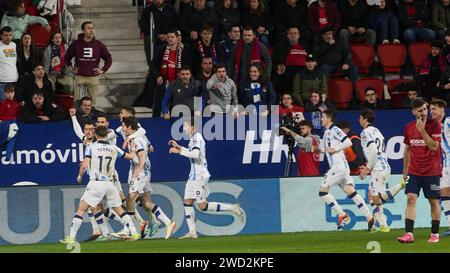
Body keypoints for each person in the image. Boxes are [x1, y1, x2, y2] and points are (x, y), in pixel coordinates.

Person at [60, 126, 140, 244]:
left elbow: (84, 165)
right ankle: (134, 233)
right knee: (119, 210)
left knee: (82, 208)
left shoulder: (92, 147)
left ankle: (71, 238)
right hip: (110, 184)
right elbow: (131, 157)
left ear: (96, 135)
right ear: (107, 135)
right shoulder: (114, 148)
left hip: (96, 183)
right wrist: (132, 148)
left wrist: (80, 176)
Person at [168, 117, 245, 239]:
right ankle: (192, 232)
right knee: (187, 202)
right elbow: (193, 152)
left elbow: (195, 154)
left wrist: (179, 152)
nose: (184, 128)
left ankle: (233, 208)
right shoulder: (194, 139)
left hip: (199, 176)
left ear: (192, 127)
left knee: (202, 206)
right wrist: (180, 147)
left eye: (185, 126)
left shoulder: (196, 138)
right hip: (193, 176)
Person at [121, 116, 176, 240]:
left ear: (129, 127)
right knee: (146, 203)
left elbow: (142, 156)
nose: (122, 128)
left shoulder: (136, 139)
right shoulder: (141, 138)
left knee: (130, 199)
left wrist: (138, 169)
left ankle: (128, 230)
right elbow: (151, 148)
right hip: (146, 171)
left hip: (140, 172)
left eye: (124, 126)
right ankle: (169, 223)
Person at [319, 109, 375, 231]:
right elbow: (330, 149)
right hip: (342, 167)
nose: (321, 119)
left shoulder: (335, 130)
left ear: (329, 119)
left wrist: (335, 149)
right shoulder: (327, 132)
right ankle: (369, 216)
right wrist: (321, 150)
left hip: (338, 167)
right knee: (351, 191)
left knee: (323, 191)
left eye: (323, 117)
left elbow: (348, 142)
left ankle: (342, 215)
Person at [398, 98, 442, 243]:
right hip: (414, 171)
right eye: (420, 110)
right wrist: (405, 171)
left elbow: (434, 147)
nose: (424, 112)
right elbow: (407, 150)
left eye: (425, 109)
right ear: (413, 112)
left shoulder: (435, 125)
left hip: (432, 171)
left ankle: (434, 234)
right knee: (411, 199)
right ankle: (409, 234)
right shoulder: (408, 127)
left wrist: (422, 130)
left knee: (433, 202)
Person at [358, 109, 406, 231]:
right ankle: (382, 225)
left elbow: (374, 150)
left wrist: (368, 168)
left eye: (360, 117)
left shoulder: (365, 132)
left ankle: (399, 186)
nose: (359, 120)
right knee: (371, 196)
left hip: (378, 168)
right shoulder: (377, 131)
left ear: (365, 119)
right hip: (383, 166)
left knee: (376, 199)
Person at [141, 29, 190, 117]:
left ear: (177, 39)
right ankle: (156, 123)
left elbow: (188, 66)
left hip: (178, 83)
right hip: (164, 82)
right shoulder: (160, 49)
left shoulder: (184, 51)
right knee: (159, 105)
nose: (170, 39)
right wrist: (157, 76)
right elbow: (152, 65)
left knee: (177, 106)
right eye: (168, 37)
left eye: (172, 37)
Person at [65, 21, 112, 106]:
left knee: (92, 104)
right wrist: (71, 69)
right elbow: (67, 57)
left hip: (93, 78)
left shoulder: (98, 44)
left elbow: (108, 58)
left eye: (92, 28)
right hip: (80, 77)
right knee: (77, 103)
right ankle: (78, 119)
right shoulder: (76, 43)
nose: (91, 30)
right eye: (89, 28)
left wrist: (103, 70)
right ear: (83, 31)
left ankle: (90, 118)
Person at [429, 99, 450, 237]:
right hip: (446, 162)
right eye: (430, 109)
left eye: (434, 109)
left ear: (442, 109)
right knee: (444, 192)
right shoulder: (435, 128)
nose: (431, 112)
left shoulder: (448, 121)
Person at [140, 0, 179, 67]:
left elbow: (176, 24)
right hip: (155, 37)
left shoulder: (170, 9)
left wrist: (168, 35)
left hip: (169, 36)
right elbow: (144, 27)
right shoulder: (147, 11)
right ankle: (152, 67)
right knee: (148, 38)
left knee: (176, 36)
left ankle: (174, 65)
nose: (158, 0)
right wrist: (158, 35)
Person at [272, 27, 309, 96]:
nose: (293, 35)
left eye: (295, 33)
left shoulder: (305, 46)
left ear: (299, 35)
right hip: (288, 70)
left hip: (303, 70)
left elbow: (310, 57)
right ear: (287, 36)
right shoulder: (281, 46)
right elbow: (276, 58)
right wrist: (281, 64)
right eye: (291, 33)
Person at [0, 84, 19, 161]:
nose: (10, 94)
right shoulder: (2, 103)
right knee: (3, 139)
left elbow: (18, 114)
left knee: (12, 139)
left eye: (11, 92)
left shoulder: (17, 103)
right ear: (4, 93)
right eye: (8, 93)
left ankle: (8, 156)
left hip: (14, 122)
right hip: (5, 122)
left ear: (14, 93)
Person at [0, 26, 18, 100]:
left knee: (13, 107)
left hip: (14, 81)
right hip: (2, 82)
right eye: (6, 35)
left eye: (10, 35)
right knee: (3, 106)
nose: (8, 37)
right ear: (1, 36)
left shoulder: (14, 45)